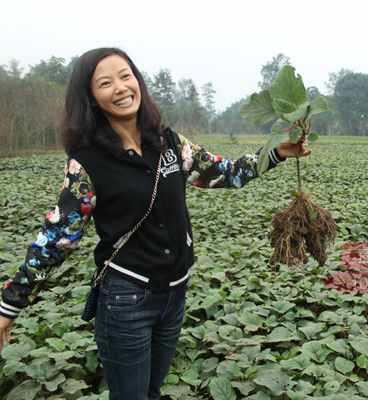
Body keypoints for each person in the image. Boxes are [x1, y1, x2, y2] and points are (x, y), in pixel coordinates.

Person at [0, 47, 310, 399]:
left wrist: (278, 152)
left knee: (150, 392)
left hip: (175, 295)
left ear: (138, 82)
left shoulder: (169, 142)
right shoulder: (88, 162)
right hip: (127, 299)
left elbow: (225, 173)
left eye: (125, 76)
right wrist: (10, 305)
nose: (119, 87)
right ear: (91, 98)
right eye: (105, 83)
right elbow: (57, 237)